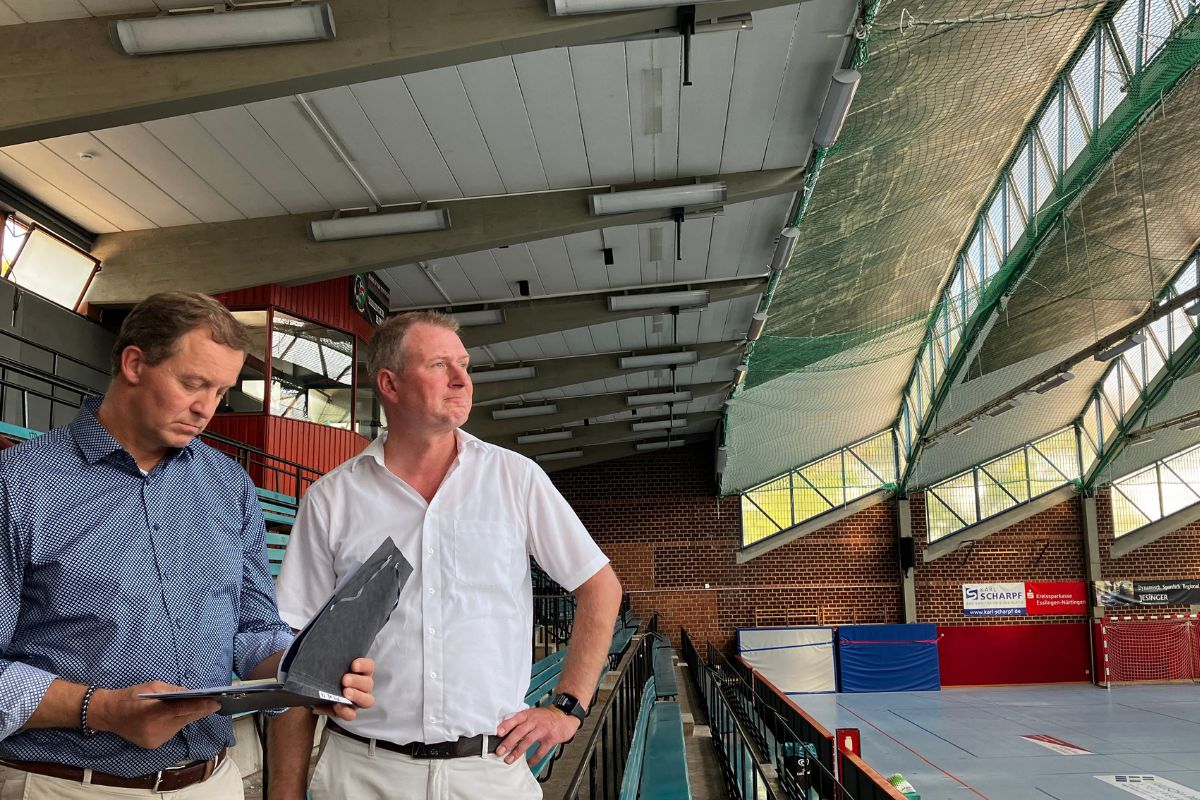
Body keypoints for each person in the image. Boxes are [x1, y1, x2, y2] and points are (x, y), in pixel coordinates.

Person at [0, 292, 375, 799]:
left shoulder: (227, 485)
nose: (206, 409)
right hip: (69, 786)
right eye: (192, 383)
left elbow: (254, 630)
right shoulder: (21, 483)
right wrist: (101, 710)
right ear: (134, 363)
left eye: (220, 392)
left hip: (211, 781)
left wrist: (307, 675)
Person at [269, 311, 623, 800]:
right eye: (439, 365)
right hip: (362, 772)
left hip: (489, 771)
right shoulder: (332, 498)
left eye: (464, 364)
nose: (462, 380)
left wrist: (568, 707)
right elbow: (295, 659)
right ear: (390, 383)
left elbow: (600, 585)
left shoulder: (515, 479)